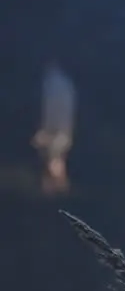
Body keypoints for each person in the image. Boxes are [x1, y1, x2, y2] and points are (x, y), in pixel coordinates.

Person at [32, 61, 75, 194]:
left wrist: (45, 134)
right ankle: (55, 185)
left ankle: (55, 185)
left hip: (58, 132)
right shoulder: (61, 83)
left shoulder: (54, 83)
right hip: (59, 133)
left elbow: (55, 113)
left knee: (55, 155)